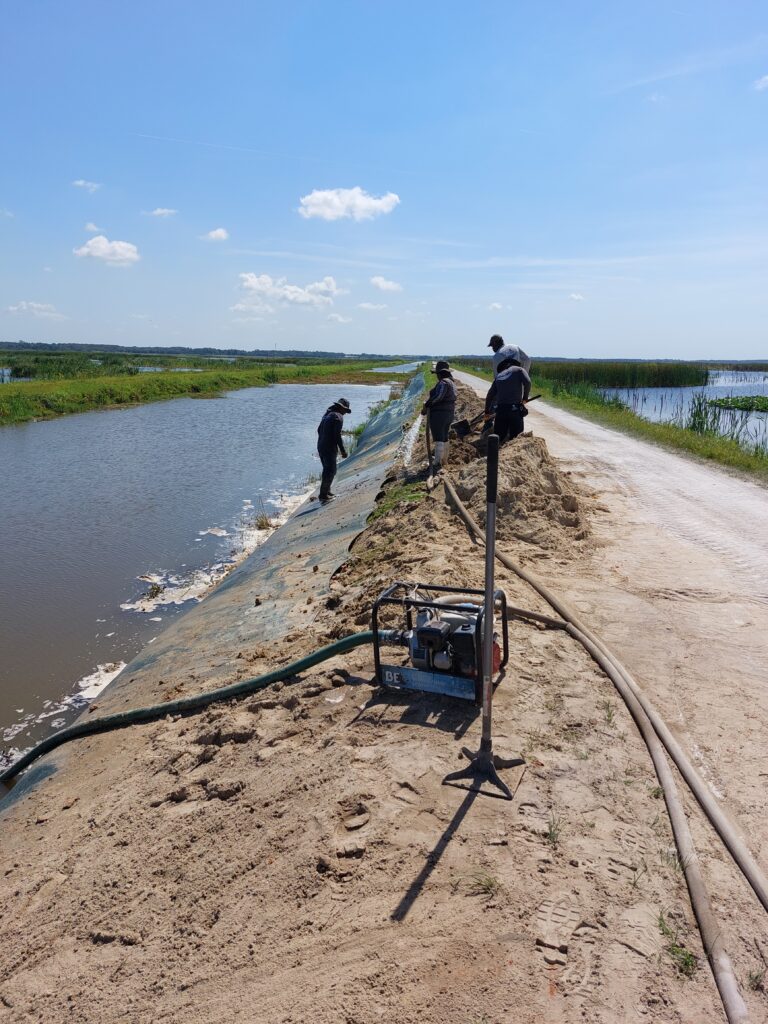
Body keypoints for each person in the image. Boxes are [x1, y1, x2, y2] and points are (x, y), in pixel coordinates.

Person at [484, 356, 531, 443]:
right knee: (516, 440)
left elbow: (490, 396)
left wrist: (487, 412)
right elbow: (527, 382)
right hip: (515, 410)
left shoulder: (498, 376)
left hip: (501, 411)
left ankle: (494, 455)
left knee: (498, 438)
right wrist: (525, 398)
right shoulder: (519, 370)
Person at [421, 360, 457, 470]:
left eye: (437, 374)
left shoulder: (443, 382)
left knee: (438, 438)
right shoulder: (452, 383)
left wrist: (427, 405)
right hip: (449, 413)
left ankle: (437, 463)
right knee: (444, 436)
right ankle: (444, 460)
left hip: (440, 415)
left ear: (440, 374)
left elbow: (438, 397)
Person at [317, 397, 351, 502]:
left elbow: (318, 430)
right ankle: (323, 495)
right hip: (329, 446)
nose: (345, 413)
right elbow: (337, 435)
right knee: (331, 470)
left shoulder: (327, 414)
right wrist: (342, 450)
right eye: (345, 410)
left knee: (326, 469)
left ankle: (327, 491)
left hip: (320, 445)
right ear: (342, 408)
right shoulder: (338, 417)